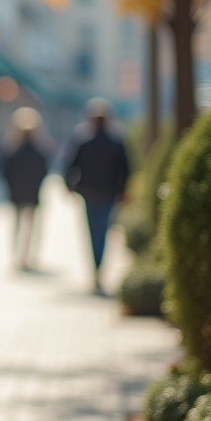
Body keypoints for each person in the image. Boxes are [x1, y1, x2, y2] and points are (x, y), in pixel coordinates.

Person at [64, 98, 130, 295]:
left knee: (93, 232)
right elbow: (126, 169)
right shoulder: (115, 141)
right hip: (107, 193)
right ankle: (98, 267)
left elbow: (70, 167)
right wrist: (123, 191)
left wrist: (69, 187)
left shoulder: (84, 140)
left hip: (90, 193)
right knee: (102, 231)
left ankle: (97, 267)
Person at [1, 107, 51, 271]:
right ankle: (26, 256)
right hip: (31, 192)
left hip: (17, 192)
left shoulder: (13, 150)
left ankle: (18, 255)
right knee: (31, 226)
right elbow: (44, 171)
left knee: (17, 225)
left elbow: (4, 171)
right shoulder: (38, 151)